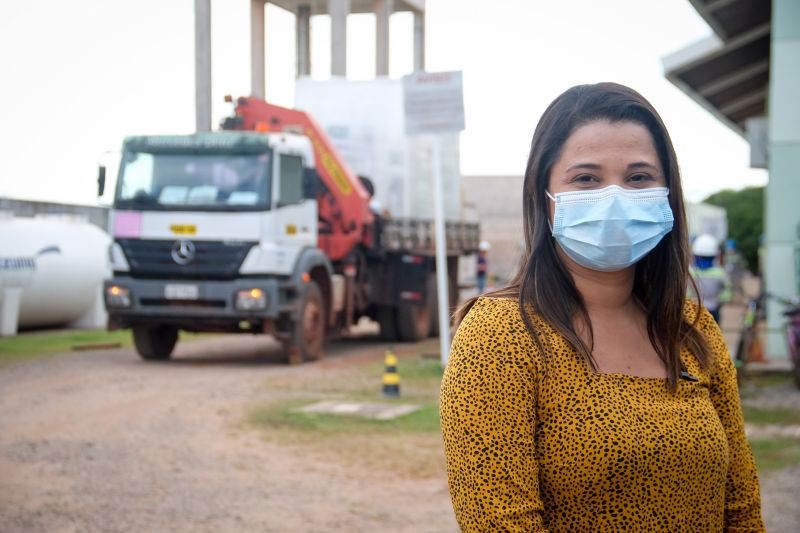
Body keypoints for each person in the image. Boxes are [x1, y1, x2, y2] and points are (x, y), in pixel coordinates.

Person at [439, 83, 763, 531]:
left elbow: (742, 509)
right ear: (544, 194)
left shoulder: (691, 330)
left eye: (638, 177)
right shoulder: (500, 335)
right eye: (587, 178)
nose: (615, 197)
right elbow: (500, 522)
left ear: (667, 192)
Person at [689, 233, 731, 324]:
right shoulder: (720, 273)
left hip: (695, 310)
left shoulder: (691, 273)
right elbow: (727, 292)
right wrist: (719, 299)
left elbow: (686, 293)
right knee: (713, 335)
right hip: (713, 308)